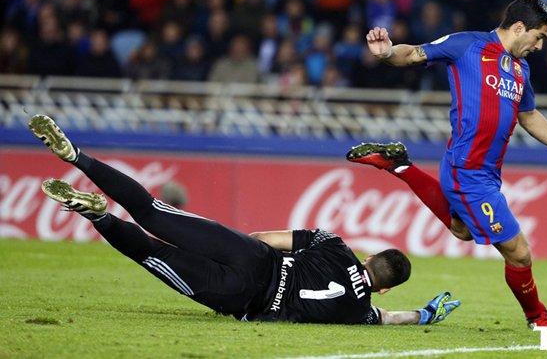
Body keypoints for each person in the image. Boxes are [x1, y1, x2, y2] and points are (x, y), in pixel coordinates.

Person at [28, 114, 460, 326]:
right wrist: (425, 315)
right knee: (152, 253)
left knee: (152, 212)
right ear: (383, 287)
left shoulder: (335, 244)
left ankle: (77, 157)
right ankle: (100, 216)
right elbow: (390, 318)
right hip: (243, 297)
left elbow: (266, 237)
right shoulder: (360, 311)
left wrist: (237, 246)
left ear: (370, 255)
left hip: (252, 256)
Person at [350, 0, 547, 329]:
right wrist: (386, 53)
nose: (539, 46)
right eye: (538, 37)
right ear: (519, 27)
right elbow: (413, 53)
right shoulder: (467, 45)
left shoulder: (520, 68)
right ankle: (538, 317)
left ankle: (398, 165)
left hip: (487, 173)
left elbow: (528, 115)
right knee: (519, 252)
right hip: (467, 171)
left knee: (463, 229)